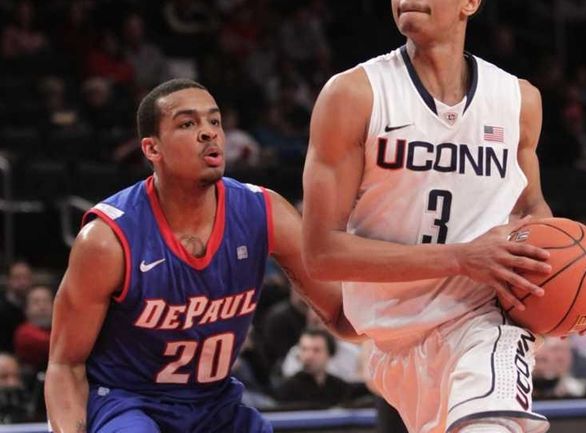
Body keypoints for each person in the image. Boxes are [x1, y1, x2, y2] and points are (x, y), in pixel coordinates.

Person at [302, 1, 586, 432]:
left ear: (470, 3)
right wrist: (462, 257)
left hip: (484, 321)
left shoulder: (517, 100)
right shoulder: (353, 95)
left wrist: (565, 287)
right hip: (389, 340)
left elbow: (531, 209)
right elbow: (321, 254)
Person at [45, 79, 356, 433]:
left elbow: (341, 315)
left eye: (215, 121)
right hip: (128, 401)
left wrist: (415, 301)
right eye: (188, 123)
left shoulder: (265, 212)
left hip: (214, 404)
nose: (209, 133)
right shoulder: (106, 240)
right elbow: (65, 365)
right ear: (151, 149)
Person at [275, 328, 367, 408]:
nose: (309, 356)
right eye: (304, 349)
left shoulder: (339, 387)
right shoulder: (288, 389)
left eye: (316, 350)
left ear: (329, 353)